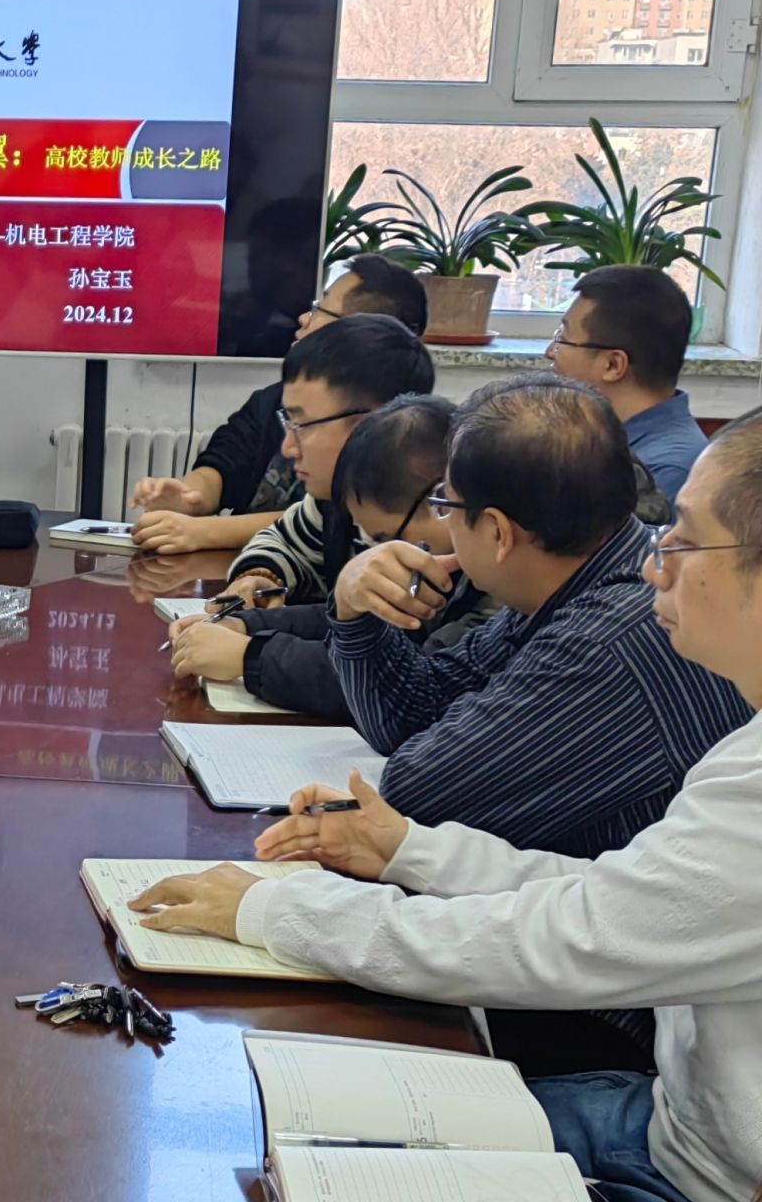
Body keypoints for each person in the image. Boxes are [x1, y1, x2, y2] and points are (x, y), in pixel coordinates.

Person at [130, 408, 762, 1202]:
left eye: (684, 543)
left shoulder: (628, 650)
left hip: (695, 1162)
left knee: (300, 1157)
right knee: (274, 1129)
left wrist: (274, 911)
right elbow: (614, 893)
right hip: (672, 1118)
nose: (654, 567)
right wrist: (409, 850)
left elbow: (561, 934)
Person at [306, 372, 747, 859]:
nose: (664, 556)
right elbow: (414, 712)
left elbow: (418, 793)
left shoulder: (608, 639)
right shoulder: (569, 579)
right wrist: (352, 608)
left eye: (446, 503)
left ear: (498, 532)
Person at [168, 395, 498, 718]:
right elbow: (363, 629)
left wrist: (249, 657)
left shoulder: (496, 589)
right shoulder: (353, 505)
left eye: (385, 538)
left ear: (443, 501)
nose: (377, 554)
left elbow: (409, 683)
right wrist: (246, 624)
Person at [133, 255, 428, 556]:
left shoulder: (397, 437)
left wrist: (204, 531)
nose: (304, 318)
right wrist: (189, 498)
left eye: (320, 309)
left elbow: (323, 521)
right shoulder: (275, 399)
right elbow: (225, 460)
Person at [207, 313, 436, 608]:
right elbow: (281, 541)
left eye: (301, 425)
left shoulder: (437, 522)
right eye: (288, 423)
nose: (288, 448)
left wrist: (259, 638)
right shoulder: (330, 502)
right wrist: (259, 578)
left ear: (371, 425)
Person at [545, 264, 706, 507]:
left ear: (613, 365)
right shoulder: (601, 441)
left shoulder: (665, 471)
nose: (549, 352)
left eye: (562, 339)